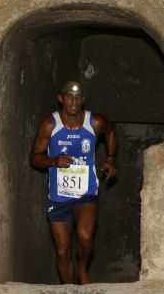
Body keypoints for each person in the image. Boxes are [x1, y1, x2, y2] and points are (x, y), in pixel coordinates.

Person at [31, 81, 116, 284]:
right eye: (69, 97)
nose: (73, 102)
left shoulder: (95, 122)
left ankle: (82, 268)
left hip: (86, 192)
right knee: (62, 250)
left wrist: (111, 158)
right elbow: (35, 157)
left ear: (83, 100)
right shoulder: (50, 125)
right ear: (61, 99)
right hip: (59, 195)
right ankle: (68, 287)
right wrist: (53, 161)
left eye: (78, 98)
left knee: (85, 238)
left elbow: (111, 132)